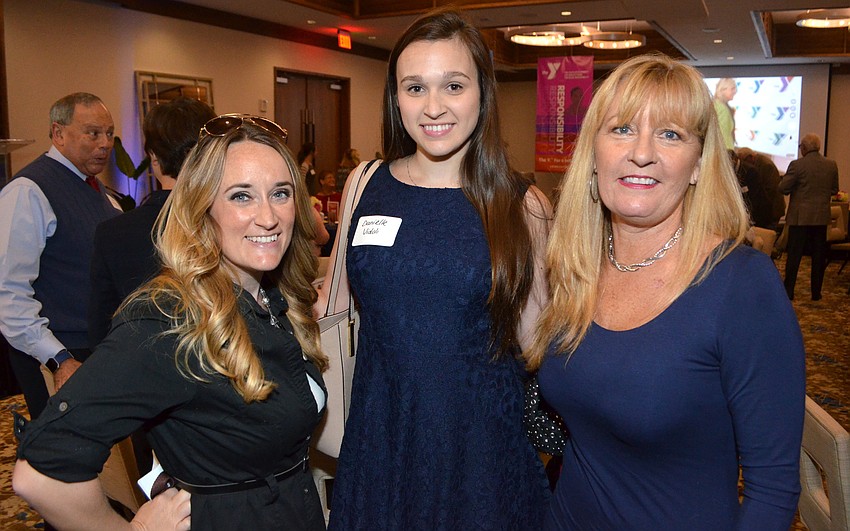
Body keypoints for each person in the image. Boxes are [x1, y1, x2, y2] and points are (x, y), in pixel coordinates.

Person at [527, 54, 805, 530]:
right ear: (593, 155)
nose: (641, 152)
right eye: (621, 129)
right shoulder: (576, 265)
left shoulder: (741, 286)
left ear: (698, 164)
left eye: (671, 134)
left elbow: (773, 490)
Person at [13, 115, 329, 530]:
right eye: (240, 196)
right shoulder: (168, 320)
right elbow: (41, 474)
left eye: (281, 193)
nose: (268, 217)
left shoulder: (270, 295)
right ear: (201, 207)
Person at [322, 9, 552, 529]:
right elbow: (334, 306)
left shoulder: (521, 205)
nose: (433, 107)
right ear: (395, 97)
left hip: (480, 452)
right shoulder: (366, 182)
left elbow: (539, 343)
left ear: (482, 94)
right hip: (381, 436)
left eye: (453, 85)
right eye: (414, 88)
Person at [0, 92, 120, 420]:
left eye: (109, 133)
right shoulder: (28, 192)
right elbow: (9, 296)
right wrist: (58, 358)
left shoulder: (102, 194)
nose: (105, 143)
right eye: (93, 133)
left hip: (99, 348)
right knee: (64, 462)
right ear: (58, 133)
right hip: (59, 354)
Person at [89, 96, 216, 348]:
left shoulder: (112, 234)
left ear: (154, 157)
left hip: (139, 373)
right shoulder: (232, 222)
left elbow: (101, 334)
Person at [779, 133, 840, 301]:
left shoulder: (797, 165)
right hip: (821, 216)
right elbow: (834, 190)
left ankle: (789, 291)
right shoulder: (831, 165)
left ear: (804, 148)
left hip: (800, 217)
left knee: (794, 255)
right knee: (819, 256)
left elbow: (783, 188)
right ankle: (816, 293)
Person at [737, 147, 785, 230]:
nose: (743, 164)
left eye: (744, 160)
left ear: (750, 157)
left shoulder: (766, 165)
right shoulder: (756, 164)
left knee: (767, 235)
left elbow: (771, 190)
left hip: (772, 210)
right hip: (764, 211)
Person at [713, 77, 737, 150]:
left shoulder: (716, 105)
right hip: (725, 152)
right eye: (732, 88)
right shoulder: (722, 108)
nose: (735, 91)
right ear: (723, 90)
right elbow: (723, 135)